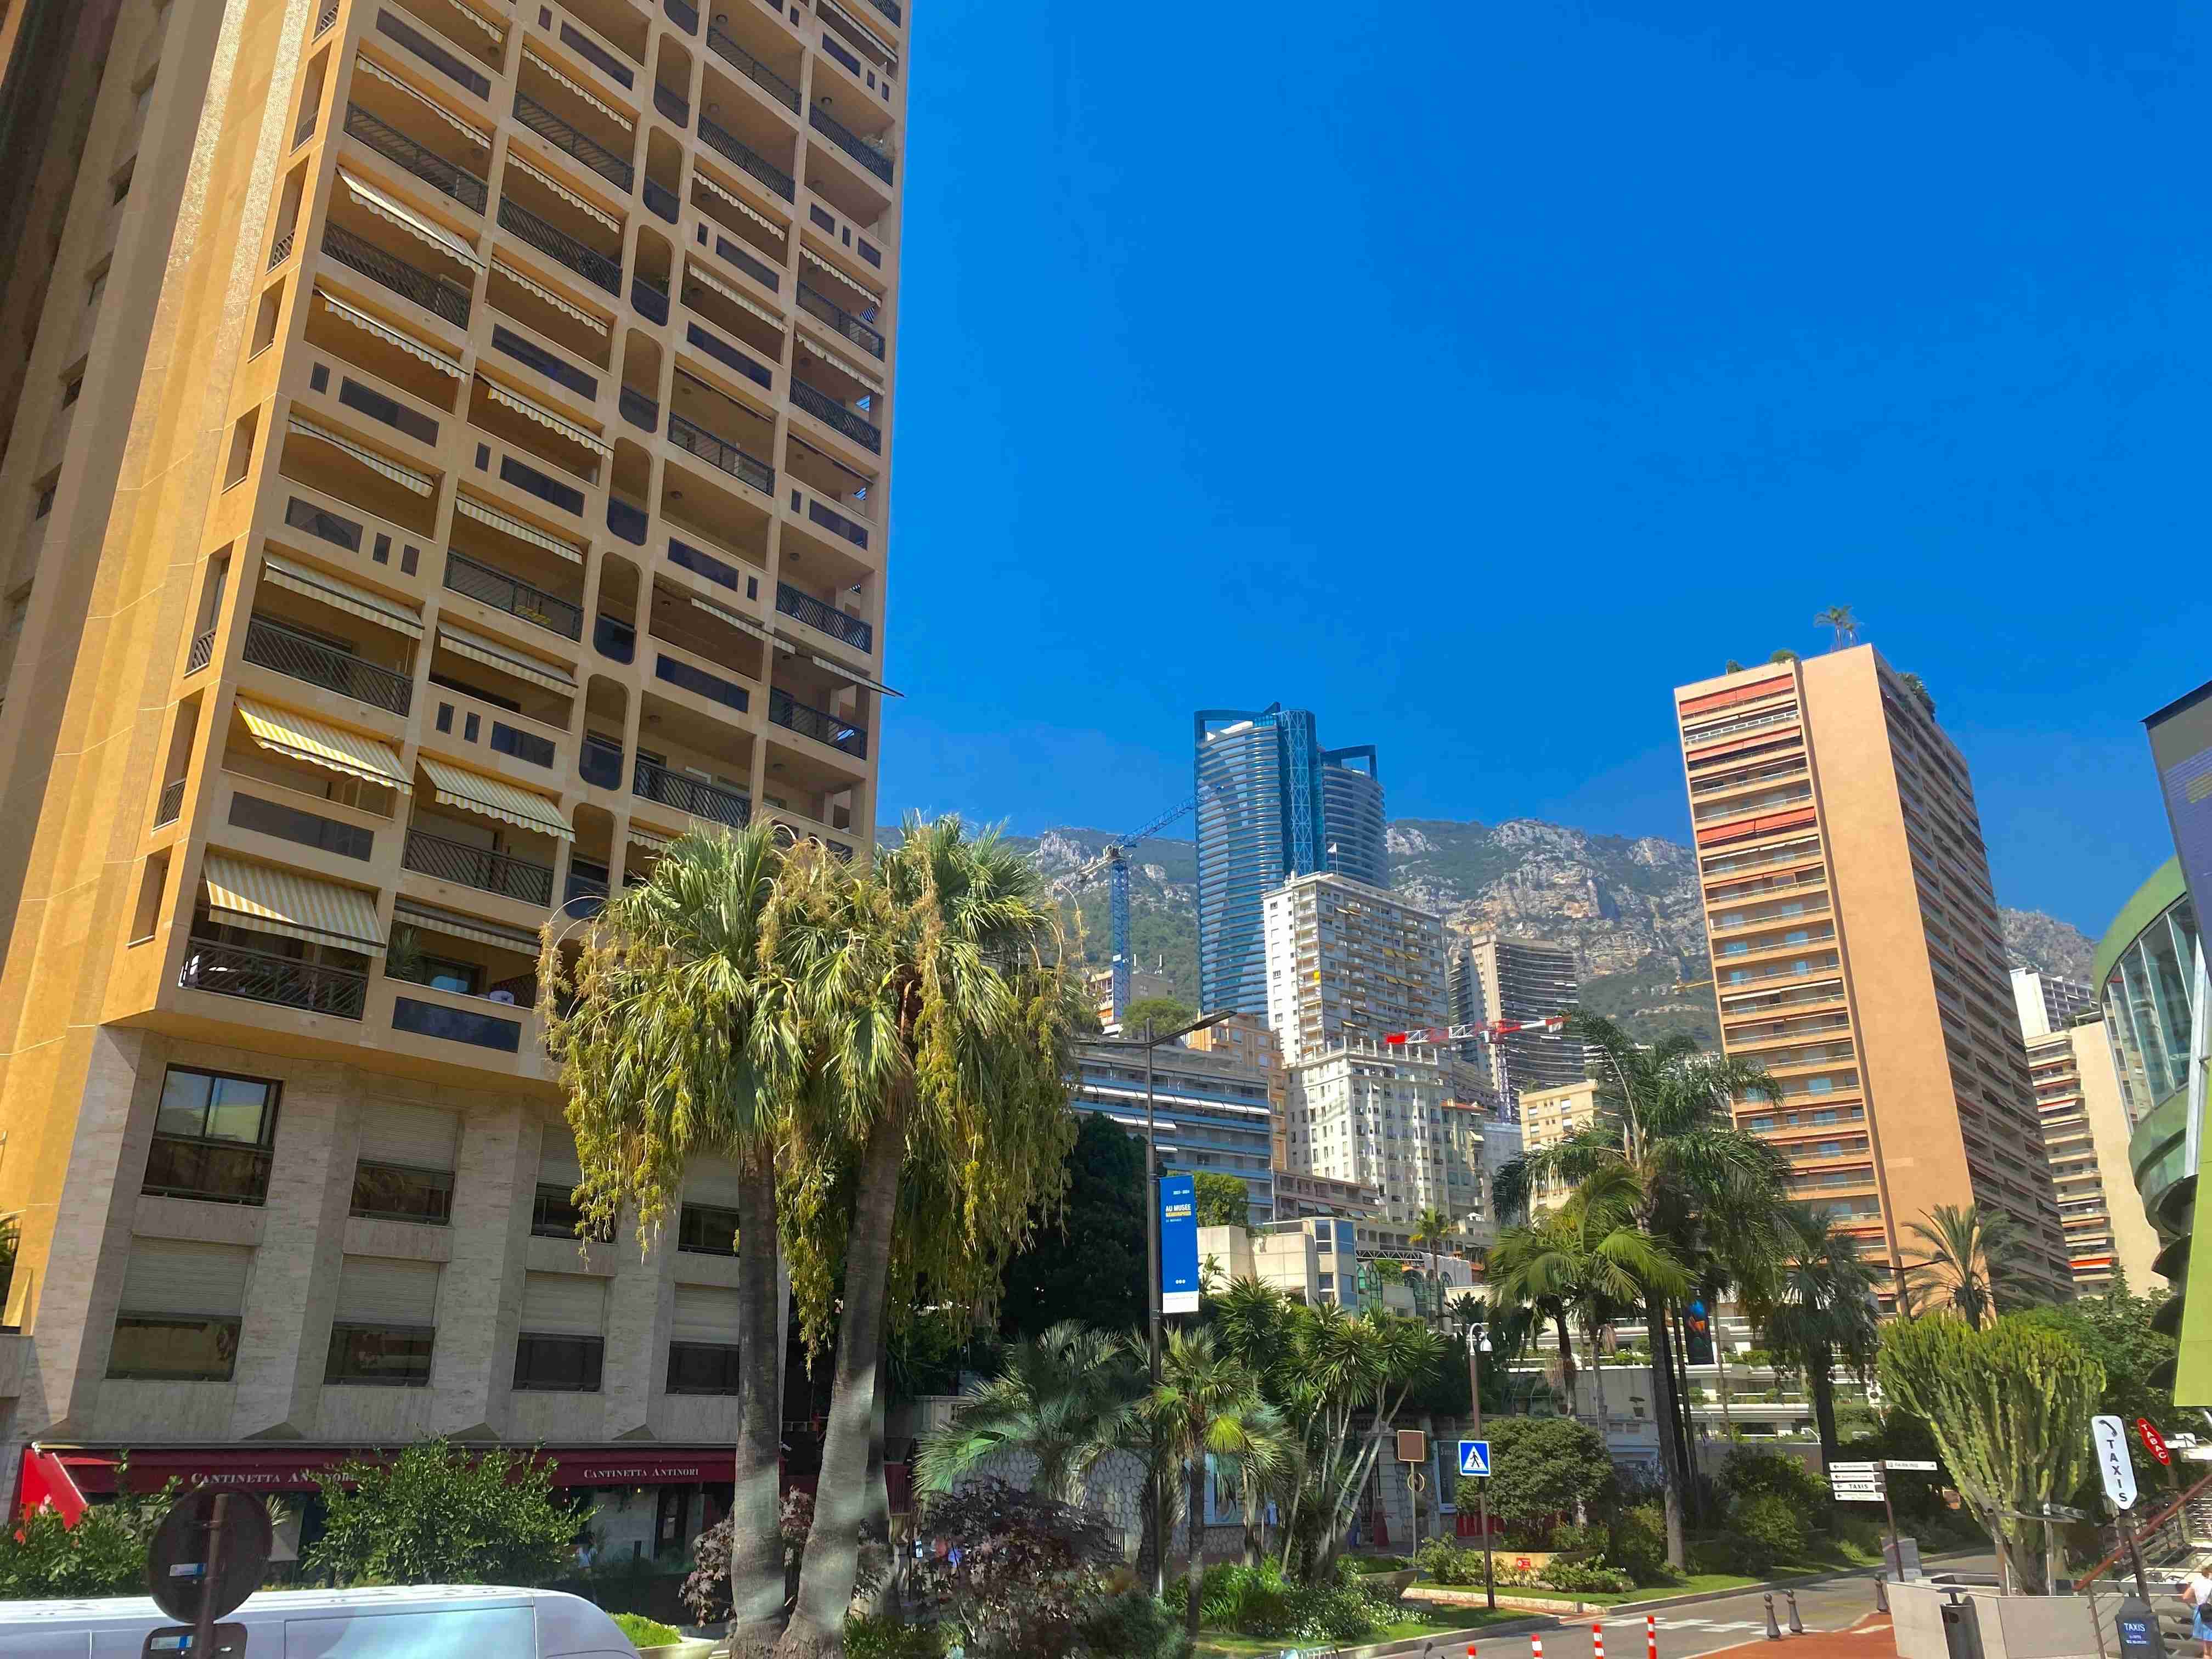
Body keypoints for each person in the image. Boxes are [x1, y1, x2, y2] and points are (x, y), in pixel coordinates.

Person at [2180, 1562, 2212, 1656]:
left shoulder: (2197, 1582)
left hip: (2201, 1613)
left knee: (2207, 1649)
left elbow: (2185, 1597)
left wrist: (2199, 1600)